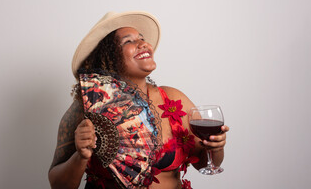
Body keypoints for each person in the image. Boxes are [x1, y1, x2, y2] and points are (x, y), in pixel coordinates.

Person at [48, 11, 229, 189]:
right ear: (109, 57)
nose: (143, 43)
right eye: (129, 41)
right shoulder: (88, 108)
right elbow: (58, 185)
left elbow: (204, 163)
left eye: (142, 38)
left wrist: (216, 147)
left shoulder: (173, 100)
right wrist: (80, 156)